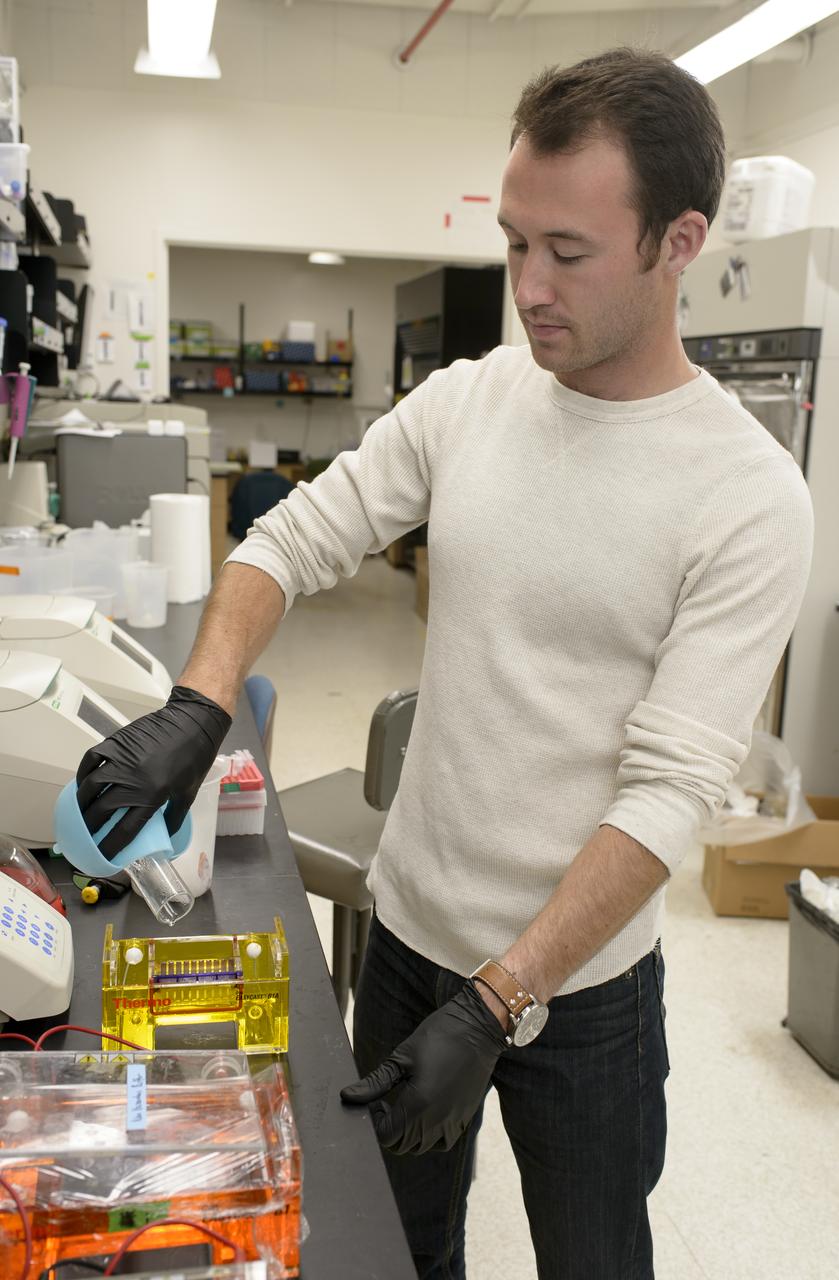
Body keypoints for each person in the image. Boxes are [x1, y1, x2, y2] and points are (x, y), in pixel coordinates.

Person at [77, 47, 813, 1280]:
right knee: (397, 1251)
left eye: (565, 253)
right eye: (513, 242)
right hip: (411, 946)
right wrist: (198, 700)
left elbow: (670, 787)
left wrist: (503, 997)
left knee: (592, 1257)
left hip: (579, 995)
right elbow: (289, 538)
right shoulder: (471, 401)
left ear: (678, 242)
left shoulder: (746, 494)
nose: (526, 286)